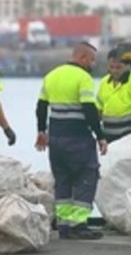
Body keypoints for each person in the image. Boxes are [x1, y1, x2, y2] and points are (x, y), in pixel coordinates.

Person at [35, 41, 107, 240]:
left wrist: (41, 131)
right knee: (87, 176)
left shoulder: (52, 75)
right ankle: (79, 225)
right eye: (92, 60)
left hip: (56, 138)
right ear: (82, 58)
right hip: (78, 138)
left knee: (63, 179)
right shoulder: (83, 77)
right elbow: (89, 109)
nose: (93, 64)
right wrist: (100, 136)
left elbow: (41, 106)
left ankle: (65, 226)